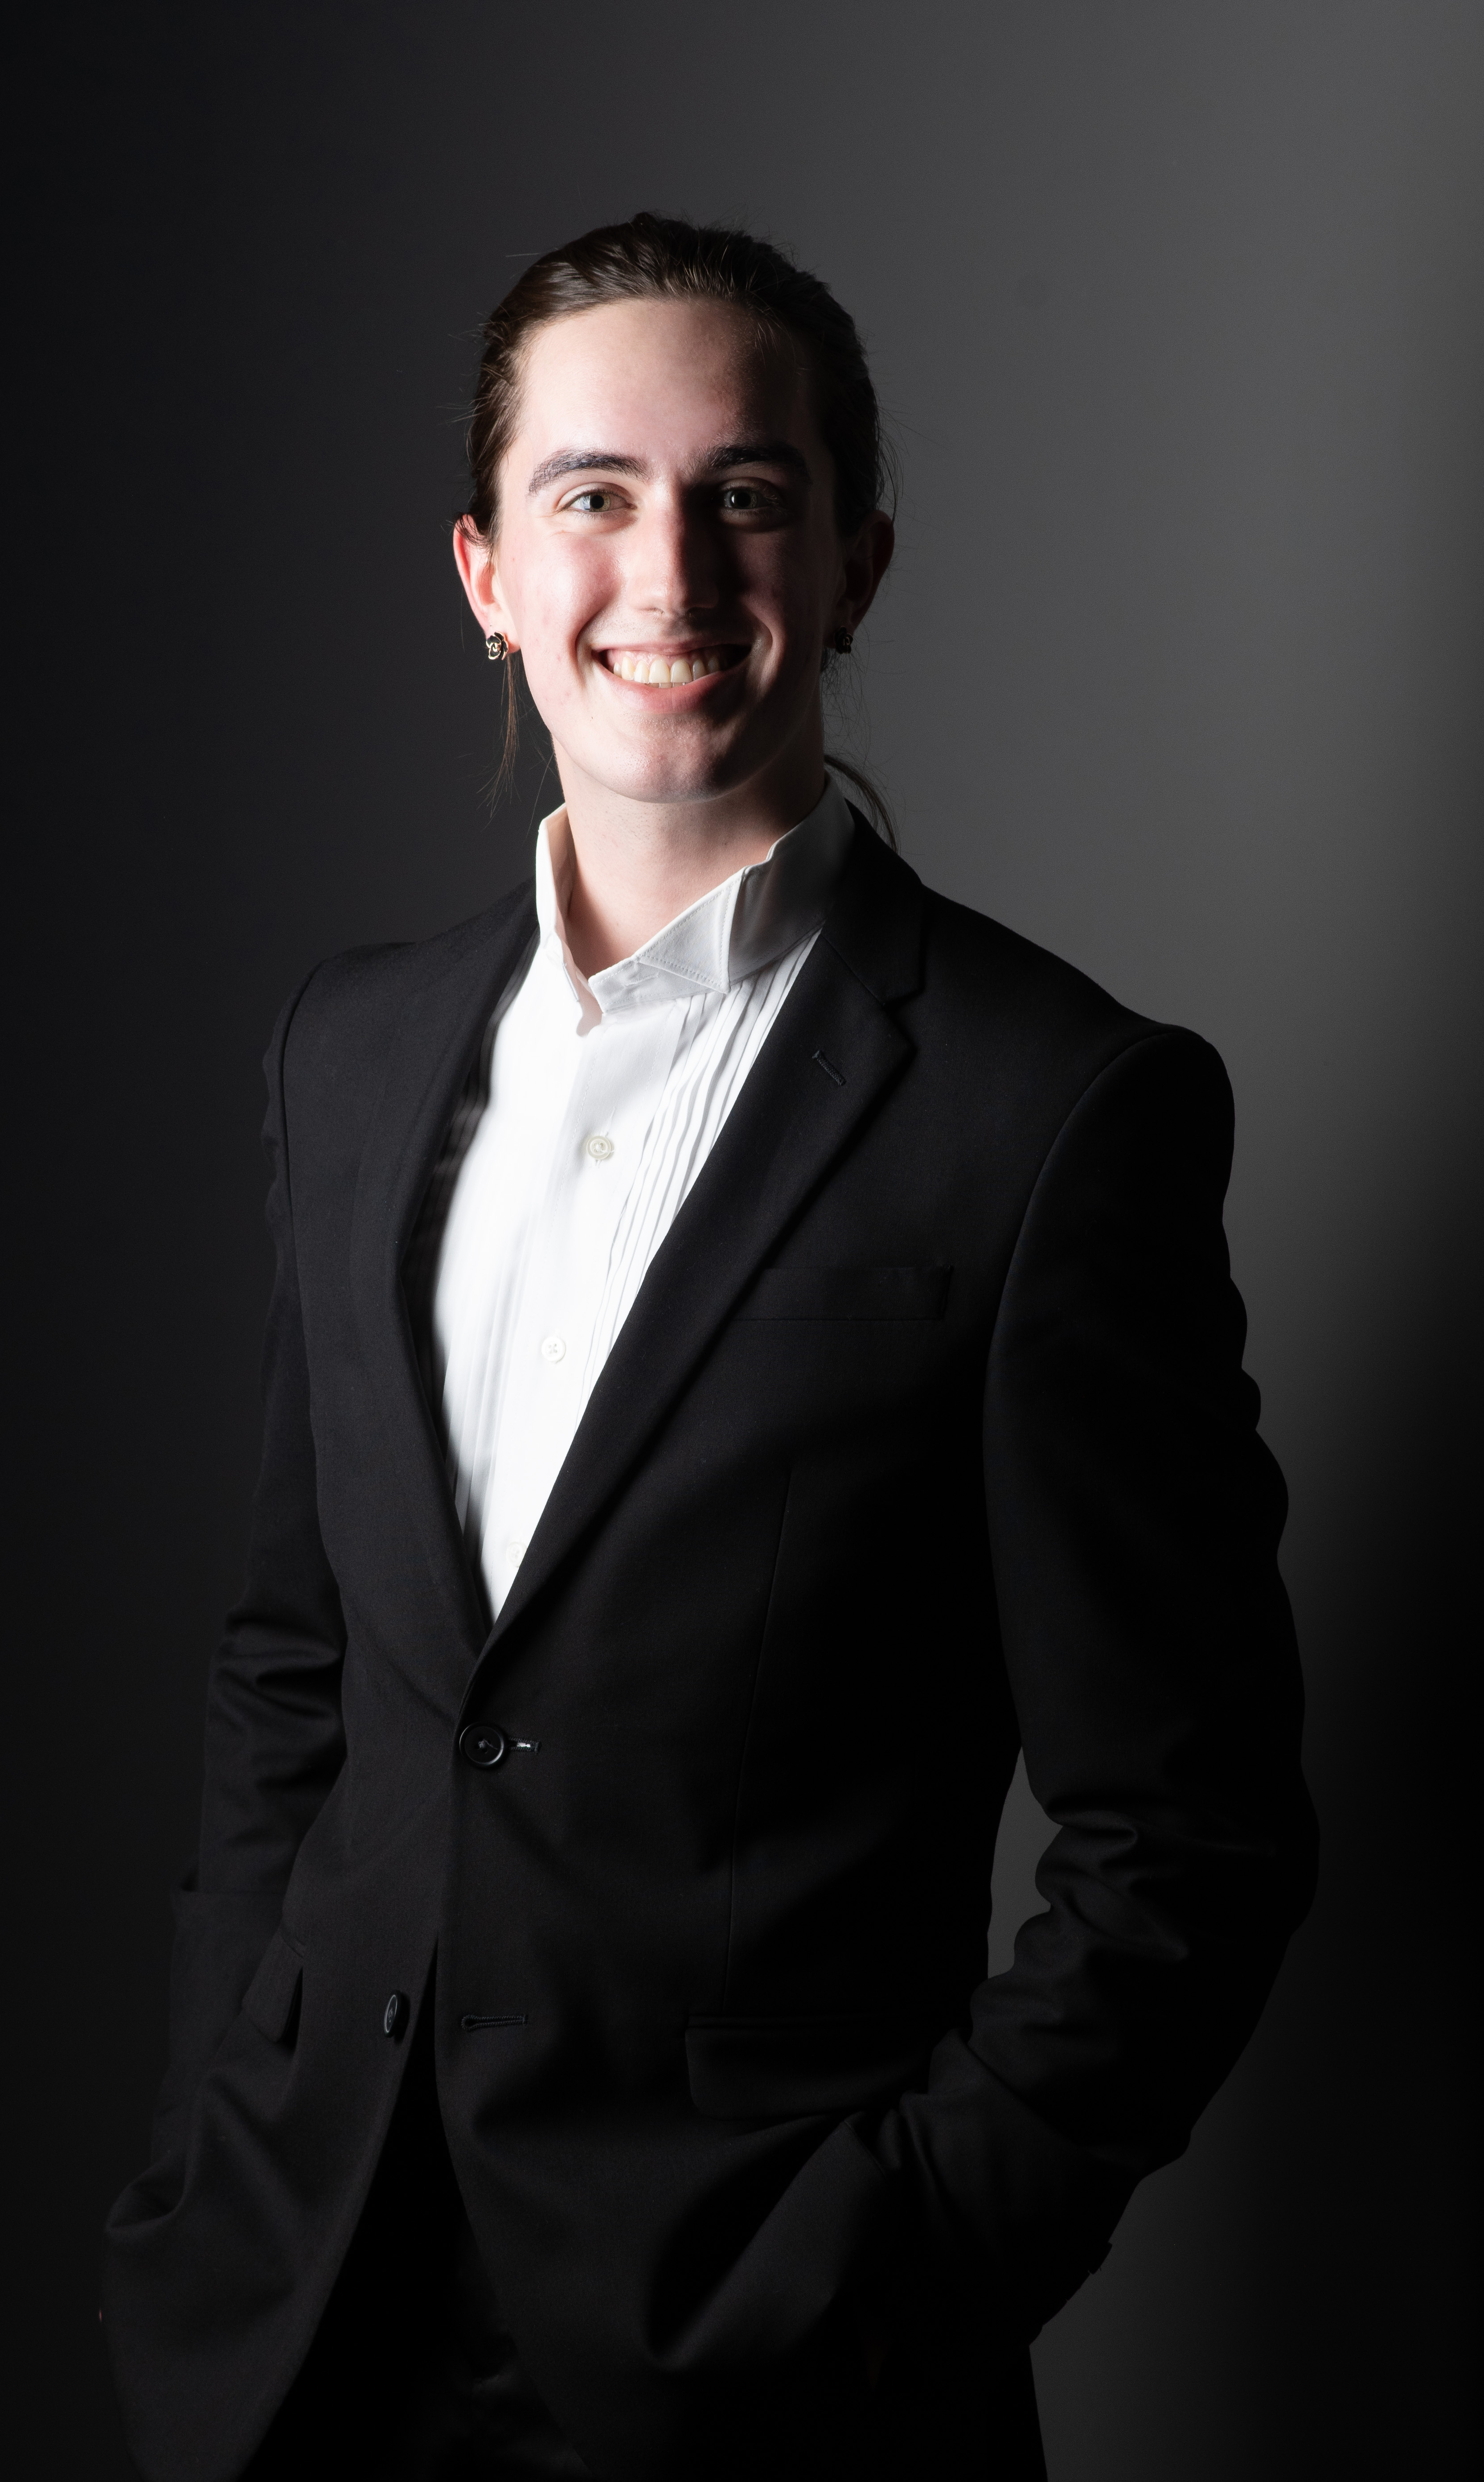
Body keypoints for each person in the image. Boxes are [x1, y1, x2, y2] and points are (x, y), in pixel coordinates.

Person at [103, 214, 1317, 2482]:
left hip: (768, 2370)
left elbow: (1194, 1834)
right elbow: (298, 1671)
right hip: (294, 2328)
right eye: (590, 493)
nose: (665, 566)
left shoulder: (1054, 1111)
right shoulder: (347, 1054)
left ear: (852, 560)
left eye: (743, 493)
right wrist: (206, 2152)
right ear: (483, 569)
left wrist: (896, 2269)